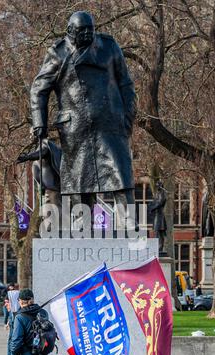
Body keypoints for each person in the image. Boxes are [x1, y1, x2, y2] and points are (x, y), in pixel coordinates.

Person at [30, 11, 137, 230]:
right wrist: (39, 122)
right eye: (82, 30)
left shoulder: (109, 46)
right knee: (80, 179)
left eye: (91, 29)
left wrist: (128, 114)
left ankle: (128, 220)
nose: (88, 33)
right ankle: (81, 224)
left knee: (120, 171)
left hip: (110, 122)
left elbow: (126, 83)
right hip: (76, 127)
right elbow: (39, 89)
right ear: (70, 31)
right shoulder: (58, 53)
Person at [150, 180, 167, 254]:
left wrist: (153, 208)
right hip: (157, 215)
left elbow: (160, 202)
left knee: (159, 232)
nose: (157, 187)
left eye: (158, 185)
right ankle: (158, 247)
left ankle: (160, 247)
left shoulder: (162, 193)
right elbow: (156, 202)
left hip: (159, 215)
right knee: (157, 231)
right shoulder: (158, 193)